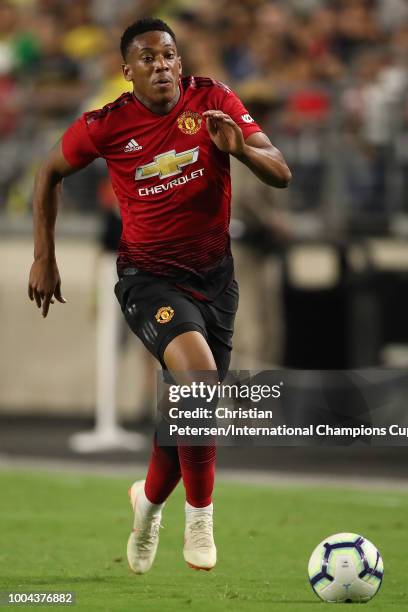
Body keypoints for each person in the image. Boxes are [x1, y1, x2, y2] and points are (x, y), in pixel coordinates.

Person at [28, 17, 291, 574]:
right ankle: (200, 520)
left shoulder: (213, 100)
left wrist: (240, 150)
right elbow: (47, 173)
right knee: (197, 382)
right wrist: (44, 256)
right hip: (148, 280)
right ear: (128, 72)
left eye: (169, 55)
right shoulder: (105, 126)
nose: (163, 66)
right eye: (148, 58)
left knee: (191, 412)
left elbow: (281, 172)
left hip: (216, 278)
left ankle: (147, 506)